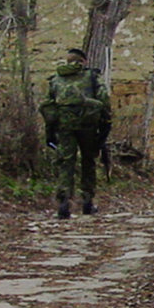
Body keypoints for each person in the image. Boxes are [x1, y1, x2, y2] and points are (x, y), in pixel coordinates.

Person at [40, 47, 111, 218]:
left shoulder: (56, 79)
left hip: (64, 127)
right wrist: (106, 123)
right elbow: (104, 99)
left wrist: (49, 130)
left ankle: (64, 203)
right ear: (83, 61)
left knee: (66, 162)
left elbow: (48, 106)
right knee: (88, 161)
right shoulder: (92, 76)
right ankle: (87, 202)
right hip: (88, 125)